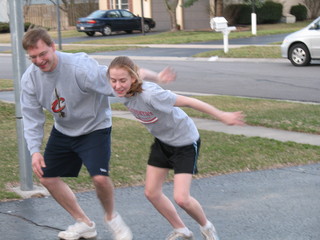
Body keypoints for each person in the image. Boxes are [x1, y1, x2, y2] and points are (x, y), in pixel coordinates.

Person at [20, 28, 175, 240]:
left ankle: (112, 218)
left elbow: (119, 80)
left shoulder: (79, 67)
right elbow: (31, 117)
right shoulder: (30, 79)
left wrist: (155, 79)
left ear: (53, 47)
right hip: (64, 129)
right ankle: (84, 223)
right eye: (33, 57)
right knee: (47, 177)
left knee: (100, 179)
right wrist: (34, 150)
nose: (39, 61)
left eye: (43, 54)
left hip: (95, 127)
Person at [106, 56, 245, 240]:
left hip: (185, 142)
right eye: (113, 80)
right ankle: (182, 230)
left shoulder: (151, 95)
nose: (117, 86)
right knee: (151, 193)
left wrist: (222, 115)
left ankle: (207, 227)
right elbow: (143, 72)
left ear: (132, 78)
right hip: (163, 142)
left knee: (182, 198)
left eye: (122, 80)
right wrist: (158, 76)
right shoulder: (123, 86)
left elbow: (189, 101)